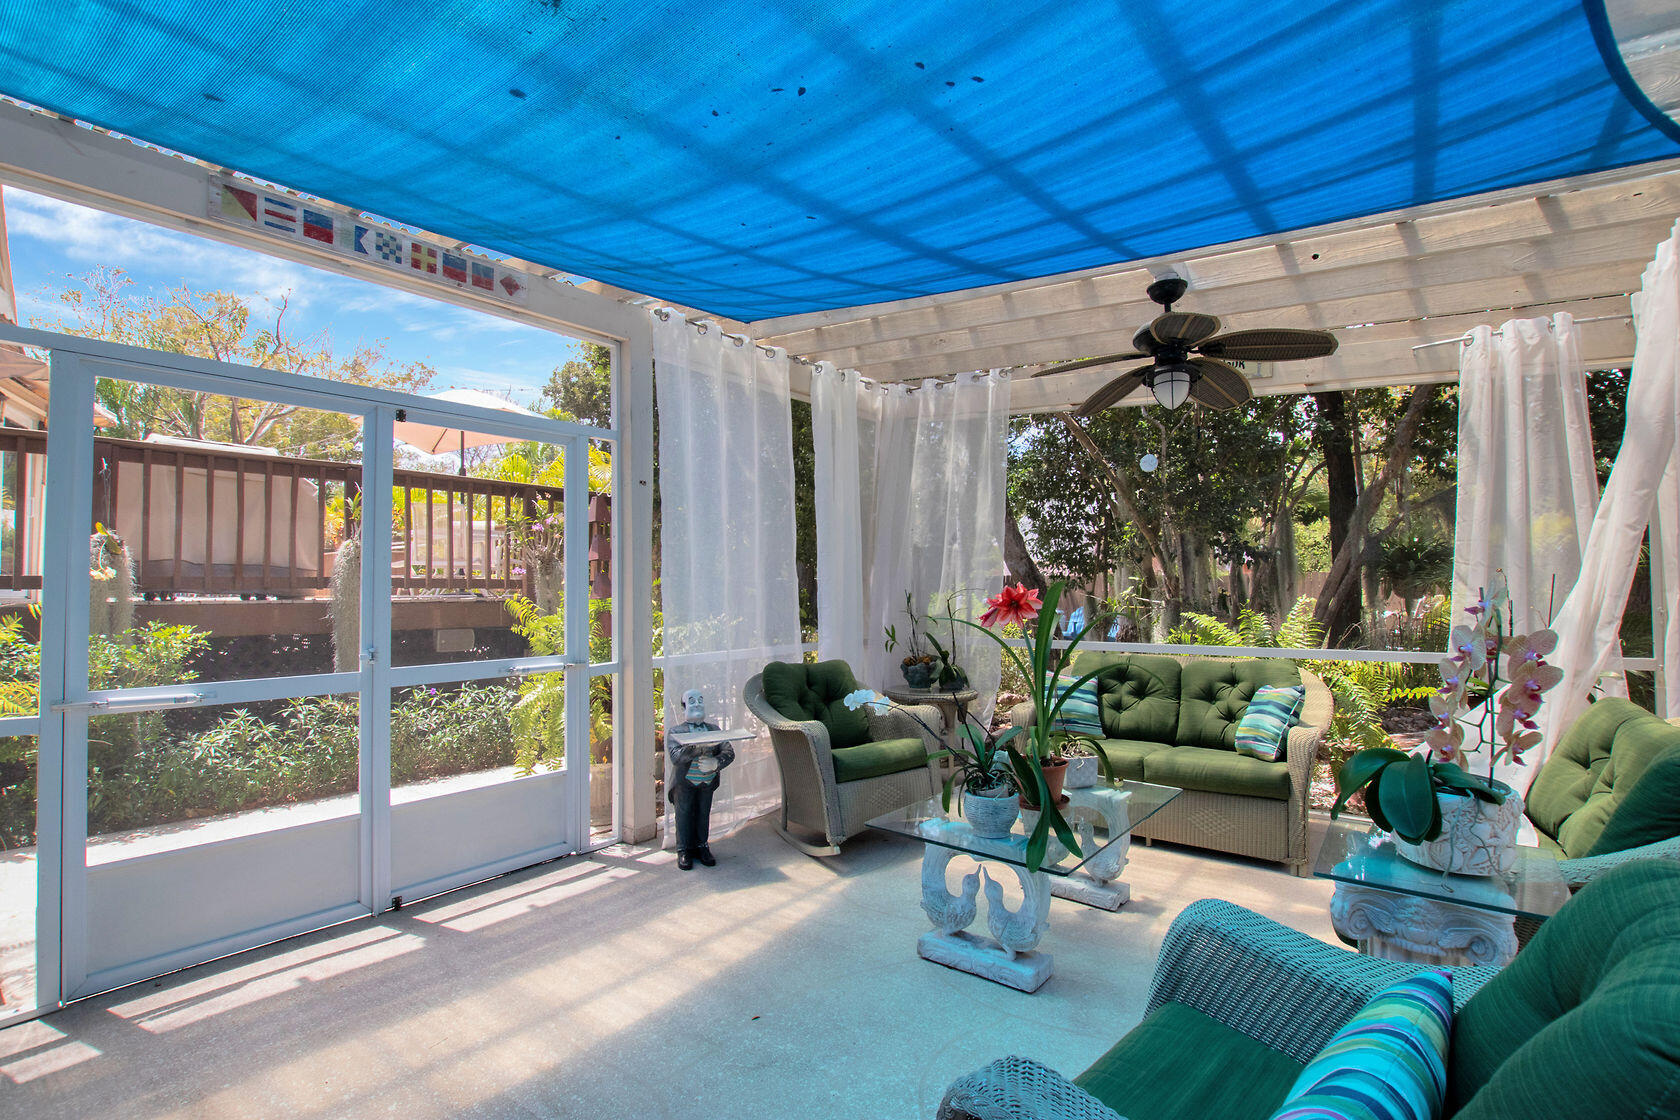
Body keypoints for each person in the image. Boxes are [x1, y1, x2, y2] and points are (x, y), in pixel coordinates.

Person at [668, 689, 735, 871]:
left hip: (707, 781)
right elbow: (676, 757)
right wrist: (699, 747)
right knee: (683, 815)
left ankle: (702, 846)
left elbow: (729, 752)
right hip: (685, 784)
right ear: (684, 707)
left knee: (703, 814)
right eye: (691, 700)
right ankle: (683, 849)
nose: (696, 704)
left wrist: (715, 762)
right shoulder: (676, 732)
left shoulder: (714, 730)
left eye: (700, 700)